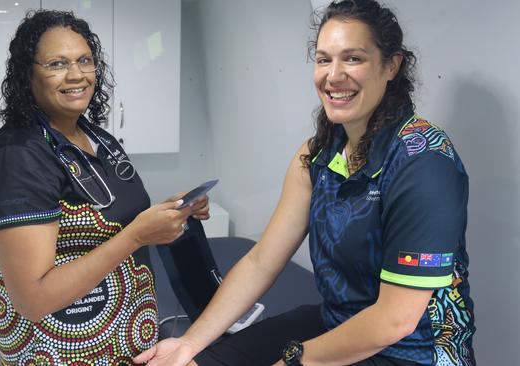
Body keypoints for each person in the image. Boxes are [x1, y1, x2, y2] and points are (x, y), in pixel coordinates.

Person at [134, 0, 475, 365]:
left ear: (391, 65)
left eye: (353, 58)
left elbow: (395, 320)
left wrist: (295, 359)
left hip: (410, 352)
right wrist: (190, 342)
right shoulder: (316, 155)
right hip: (335, 324)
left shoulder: (424, 161)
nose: (334, 76)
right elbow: (261, 261)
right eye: (324, 59)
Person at [0, 10, 209, 365]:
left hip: (127, 346)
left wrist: (168, 213)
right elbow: (32, 299)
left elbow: (105, 226)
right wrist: (138, 235)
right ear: (27, 74)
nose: (76, 75)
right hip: (61, 355)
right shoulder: (16, 157)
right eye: (56, 63)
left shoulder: (98, 138)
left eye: (85, 60)